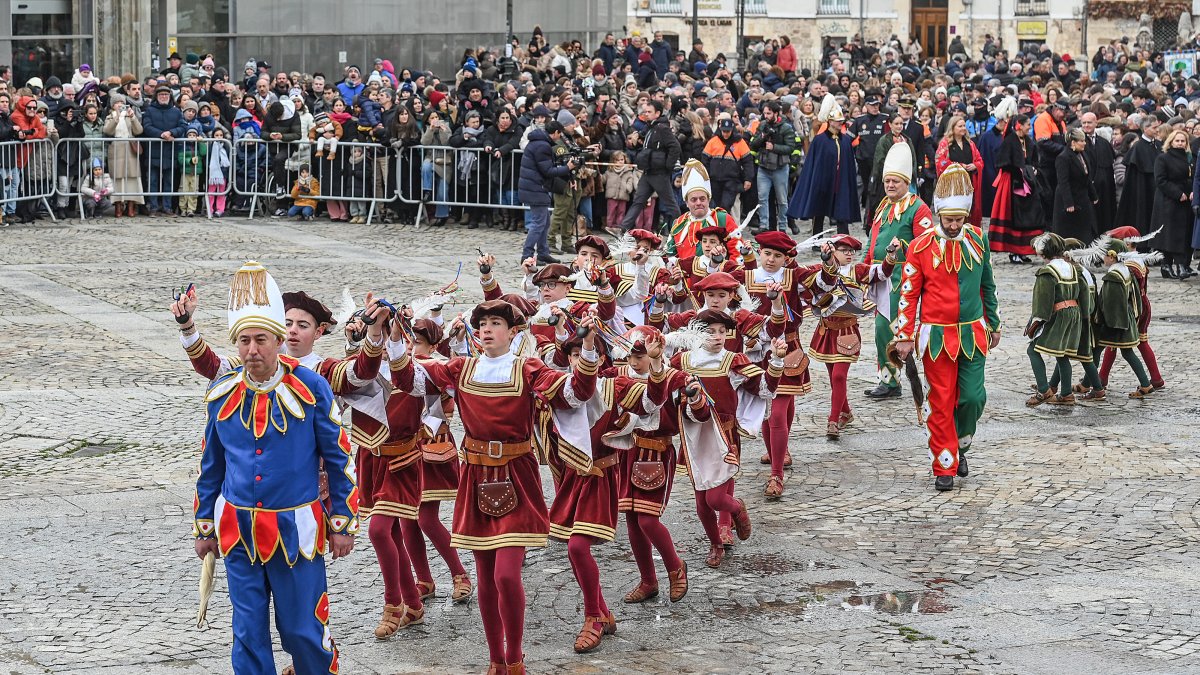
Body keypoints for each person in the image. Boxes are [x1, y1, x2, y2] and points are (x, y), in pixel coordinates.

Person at [387, 299, 599, 675]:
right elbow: (409, 381)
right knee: (485, 574)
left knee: (505, 574)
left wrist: (587, 348)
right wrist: (389, 340)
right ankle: (495, 661)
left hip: (517, 473)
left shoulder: (528, 368)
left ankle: (515, 657)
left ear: (514, 331)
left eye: (496, 322)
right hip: (476, 474)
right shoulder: (460, 367)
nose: (486, 329)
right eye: (482, 323)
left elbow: (574, 394)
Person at [192, 261, 358, 674]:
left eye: (261, 340)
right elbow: (210, 466)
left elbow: (339, 457)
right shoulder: (222, 392)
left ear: (277, 340)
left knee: (302, 629)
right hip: (238, 530)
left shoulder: (311, 386)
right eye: (245, 340)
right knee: (247, 632)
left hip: (296, 530)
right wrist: (203, 523)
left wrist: (342, 519)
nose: (252, 350)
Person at [893, 164, 1001, 492]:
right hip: (936, 336)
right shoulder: (920, 246)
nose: (954, 225)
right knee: (941, 399)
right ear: (939, 214)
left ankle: (961, 445)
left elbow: (987, 284)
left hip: (972, 333)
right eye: (949, 219)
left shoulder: (978, 239)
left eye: (960, 219)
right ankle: (944, 463)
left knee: (972, 398)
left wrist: (994, 322)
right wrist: (904, 335)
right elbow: (908, 293)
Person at [798, 233, 899, 439]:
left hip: (847, 331)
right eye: (844, 251)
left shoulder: (858, 270)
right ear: (832, 251)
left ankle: (833, 421)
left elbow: (882, 273)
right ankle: (846, 412)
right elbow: (799, 278)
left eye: (852, 251)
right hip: (825, 330)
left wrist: (890, 255)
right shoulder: (819, 270)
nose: (849, 254)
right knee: (832, 376)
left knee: (838, 376)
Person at [864, 142, 932, 399]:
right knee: (880, 328)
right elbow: (874, 239)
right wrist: (864, 266)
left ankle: (891, 382)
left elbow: (927, 245)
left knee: (887, 327)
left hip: (901, 278)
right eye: (887, 181)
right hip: (880, 275)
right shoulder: (883, 206)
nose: (890, 185)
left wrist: (902, 248)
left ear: (907, 183)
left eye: (896, 181)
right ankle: (887, 378)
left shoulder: (917, 208)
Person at [1025, 233, 1084, 406]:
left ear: (1043, 253)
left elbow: (1043, 302)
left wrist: (1035, 322)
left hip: (1057, 314)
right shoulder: (1072, 268)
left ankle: (1044, 390)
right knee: (1062, 354)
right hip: (1073, 313)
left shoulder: (1047, 272)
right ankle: (1066, 393)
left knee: (1033, 349)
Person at [788, 94, 858, 236]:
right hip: (822, 183)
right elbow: (814, 164)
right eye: (837, 121)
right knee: (818, 212)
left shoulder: (845, 141)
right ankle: (816, 239)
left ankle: (843, 238)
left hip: (840, 182)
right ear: (830, 121)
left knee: (841, 212)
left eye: (841, 121)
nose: (840, 123)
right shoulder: (820, 140)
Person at [989, 101, 1042, 263]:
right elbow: (1002, 162)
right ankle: (1013, 251)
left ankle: (1023, 250)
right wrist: (1017, 171)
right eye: (1027, 125)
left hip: (1026, 183)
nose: (1029, 128)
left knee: (1026, 216)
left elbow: (1034, 160)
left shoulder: (1029, 142)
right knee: (1012, 216)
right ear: (1019, 125)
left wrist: (1032, 169)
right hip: (1011, 183)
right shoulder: (1009, 141)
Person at [519, 119, 579, 264]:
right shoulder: (543, 146)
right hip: (536, 188)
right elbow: (547, 170)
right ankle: (527, 255)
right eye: (560, 134)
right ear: (556, 133)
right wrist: (568, 168)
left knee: (544, 222)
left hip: (535, 186)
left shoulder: (539, 142)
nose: (560, 138)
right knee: (538, 223)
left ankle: (543, 253)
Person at [662, 159, 743, 260]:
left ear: (708, 200)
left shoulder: (722, 218)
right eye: (693, 200)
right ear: (686, 203)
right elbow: (669, 255)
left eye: (702, 198)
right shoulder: (679, 223)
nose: (698, 203)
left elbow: (738, 254)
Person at [619, 100, 681, 232]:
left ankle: (684, 227)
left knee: (670, 203)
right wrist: (636, 141)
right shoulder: (650, 127)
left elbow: (675, 147)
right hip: (648, 171)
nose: (646, 114)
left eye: (649, 112)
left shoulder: (662, 128)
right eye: (645, 111)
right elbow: (647, 145)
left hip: (659, 173)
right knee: (638, 200)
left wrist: (668, 166)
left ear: (658, 113)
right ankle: (623, 228)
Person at [1151, 129, 1194, 279]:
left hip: (1185, 201)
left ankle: (1176, 265)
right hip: (1168, 201)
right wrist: (1178, 193)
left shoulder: (1188, 159)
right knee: (1170, 235)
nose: (1180, 143)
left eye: (1183, 141)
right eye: (1178, 141)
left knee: (1181, 234)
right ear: (1171, 142)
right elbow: (1160, 180)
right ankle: (1170, 265)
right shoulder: (1163, 158)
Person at [747, 101, 796, 233]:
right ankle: (764, 225)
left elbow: (791, 147)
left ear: (776, 113)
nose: (766, 116)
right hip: (764, 167)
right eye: (764, 113)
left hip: (780, 168)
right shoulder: (762, 125)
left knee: (782, 200)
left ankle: (783, 226)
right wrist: (762, 138)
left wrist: (774, 147)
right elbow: (753, 145)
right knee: (762, 197)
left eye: (769, 113)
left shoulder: (786, 127)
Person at [1115, 116, 1162, 237]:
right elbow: (1132, 177)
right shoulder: (1137, 147)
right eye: (1155, 127)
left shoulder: (1159, 144)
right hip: (1142, 191)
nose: (1158, 130)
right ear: (1145, 128)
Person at [935, 115, 984, 228]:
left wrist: (975, 165)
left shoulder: (970, 143)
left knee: (969, 211)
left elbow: (980, 160)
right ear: (953, 128)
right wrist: (959, 166)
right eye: (960, 126)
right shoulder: (945, 143)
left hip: (969, 184)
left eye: (964, 126)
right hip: (952, 186)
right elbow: (940, 162)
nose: (963, 128)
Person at [1051, 128, 1099, 241]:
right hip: (1069, 199)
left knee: (1085, 229)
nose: (1084, 143)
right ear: (1073, 142)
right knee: (1069, 231)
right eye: (1081, 141)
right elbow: (1063, 182)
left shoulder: (1082, 155)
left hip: (1082, 197)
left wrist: (1094, 196)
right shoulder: (1063, 157)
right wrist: (1068, 203)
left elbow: (1087, 177)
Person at [700, 113, 754, 213]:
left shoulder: (739, 142)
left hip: (731, 180)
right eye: (723, 131)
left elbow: (748, 162)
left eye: (727, 131)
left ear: (732, 130)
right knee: (716, 206)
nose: (725, 134)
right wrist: (706, 176)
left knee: (726, 206)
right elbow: (704, 160)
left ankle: (724, 227)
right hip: (714, 180)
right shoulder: (713, 141)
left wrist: (748, 179)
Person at [1081, 113, 1117, 234]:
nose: (1086, 125)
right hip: (1086, 189)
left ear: (1096, 123)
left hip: (1104, 190)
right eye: (1084, 123)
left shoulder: (1104, 143)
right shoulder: (1077, 143)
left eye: (1089, 122)